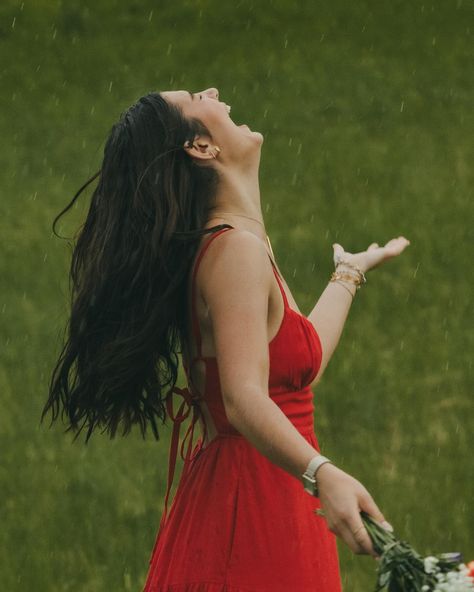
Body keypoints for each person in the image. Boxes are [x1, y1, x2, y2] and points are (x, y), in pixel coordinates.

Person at [42, 87, 410, 591]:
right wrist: (323, 473)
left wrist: (348, 273)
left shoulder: (243, 242)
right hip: (252, 502)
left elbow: (299, 371)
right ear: (200, 147)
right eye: (197, 97)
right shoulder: (233, 249)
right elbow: (242, 397)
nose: (213, 91)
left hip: (274, 494)